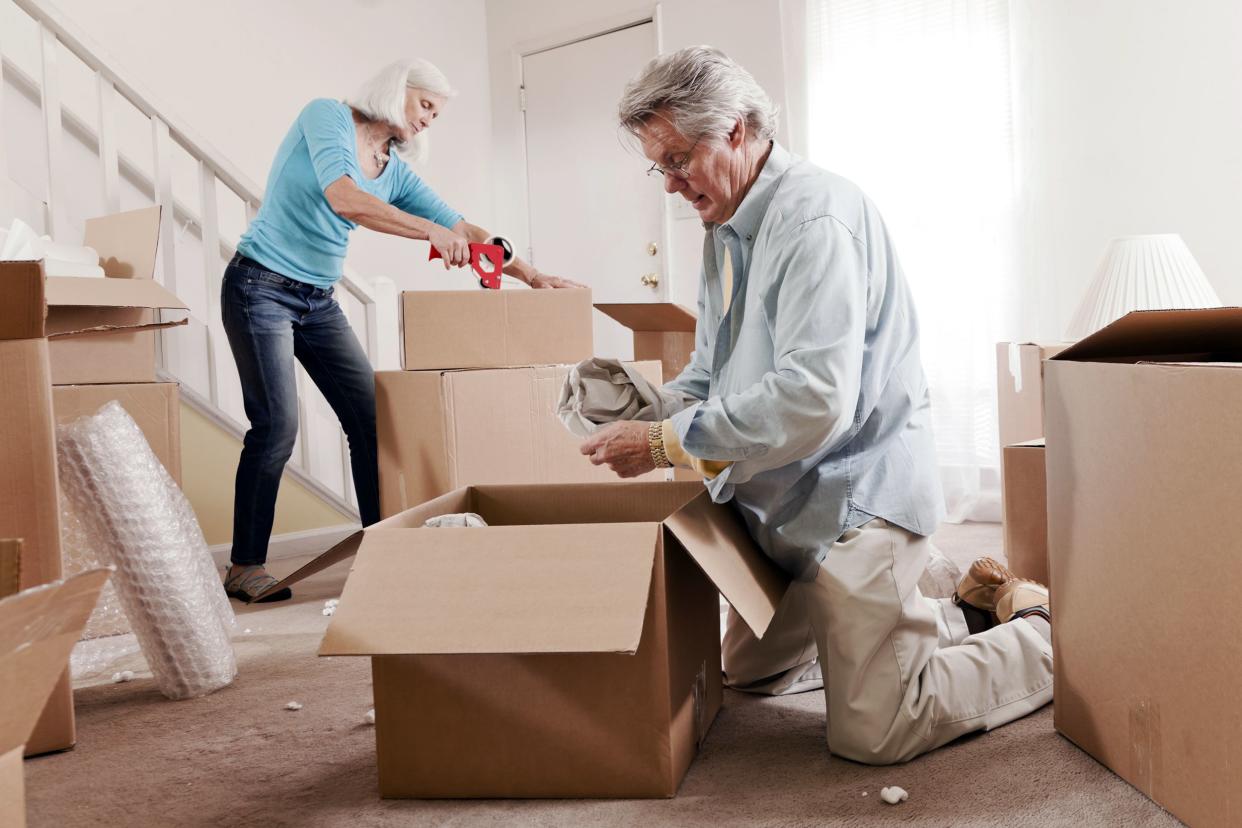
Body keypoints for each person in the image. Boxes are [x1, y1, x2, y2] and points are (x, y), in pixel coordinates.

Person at [582, 46, 1052, 765]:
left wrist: (661, 446)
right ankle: (938, 613)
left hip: (854, 504)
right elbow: (710, 373)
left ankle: (1044, 627)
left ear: (736, 131)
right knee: (749, 675)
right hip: (782, 506)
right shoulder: (724, 229)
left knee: (877, 730)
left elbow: (813, 400)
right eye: (660, 166)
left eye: (679, 159)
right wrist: (641, 412)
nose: (671, 184)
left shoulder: (815, 221)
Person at [222, 59, 583, 603]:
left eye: (436, 113)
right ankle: (245, 565)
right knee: (277, 427)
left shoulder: (393, 169)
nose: (429, 119)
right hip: (261, 286)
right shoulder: (329, 118)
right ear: (396, 92)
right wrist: (433, 234)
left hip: (318, 300)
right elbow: (344, 197)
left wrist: (529, 274)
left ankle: (381, 545)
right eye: (425, 105)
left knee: (372, 419)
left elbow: (463, 228)